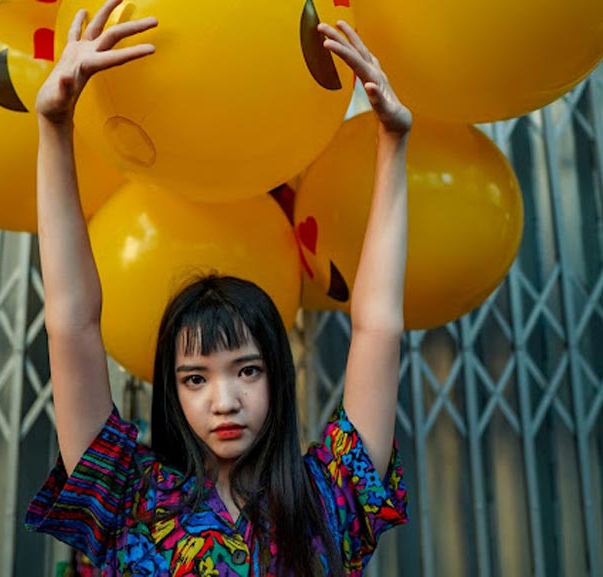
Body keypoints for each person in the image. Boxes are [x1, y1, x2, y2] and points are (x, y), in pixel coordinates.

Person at [25, 0, 412, 575]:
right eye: (195, 378)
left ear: (278, 375)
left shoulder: (329, 500)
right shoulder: (128, 499)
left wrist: (393, 142)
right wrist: (54, 128)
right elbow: (72, 322)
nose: (224, 400)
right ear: (172, 391)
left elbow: (378, 324)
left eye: (247, 370)